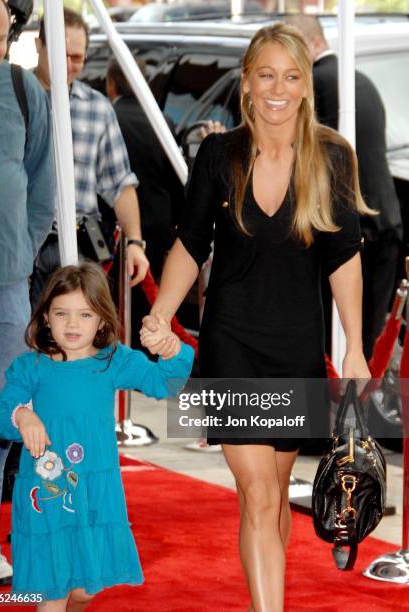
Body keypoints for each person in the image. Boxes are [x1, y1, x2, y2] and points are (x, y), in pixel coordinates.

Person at [140, 23, 372, 611]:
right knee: (260, 492)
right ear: (246, 83)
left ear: (305, 86)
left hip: (295, 344)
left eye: (291, 76)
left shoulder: (332, 158)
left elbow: (345, 260)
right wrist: (162, 313)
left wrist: (354, 348)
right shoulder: (219, 154)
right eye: (266, 74)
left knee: (267, 499)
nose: (278, 88)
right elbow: (190, 243)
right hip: (232, 342)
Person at [0, 262, 193, 610]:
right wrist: (22, 414)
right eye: (62, 313)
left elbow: (163, 383)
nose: (73, 324)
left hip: (96, 491)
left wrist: (172, 352)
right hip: (45, 493)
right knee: (53, 591)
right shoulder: (30, 367)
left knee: (85, 590)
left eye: (84, 314)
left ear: (102, 321)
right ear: (46, 317)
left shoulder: (113, 361)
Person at [0, 0, 54, 586]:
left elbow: (42, 185)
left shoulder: (26, 93)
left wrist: (22, 255)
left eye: (0, 38)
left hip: (4, 285)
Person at [286, 14, 403, 360]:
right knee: (366, 345)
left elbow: (304, 159)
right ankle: (358, 410)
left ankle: (334, 411)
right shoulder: (361, 81)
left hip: (348, 232)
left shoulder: (316, 86)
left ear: (315, 44)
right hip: (387, 222)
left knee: (331, 344)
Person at [30, 8, 149, 310]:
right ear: (38, 46)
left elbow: (120, 183)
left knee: (83, 347)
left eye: (77, 58)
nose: (68, 65)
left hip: (81, 249)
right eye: (60, 53)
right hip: (23, 253)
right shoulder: (14, 98)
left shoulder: (97, 108)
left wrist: (134, 242)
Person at [106, 56, 185, 350]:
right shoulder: (162, 121)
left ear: (111, 83)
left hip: (119, 229)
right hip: (158, 226)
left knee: (119, 303)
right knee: (153, 303)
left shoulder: (109, 117)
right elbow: (175, 179)